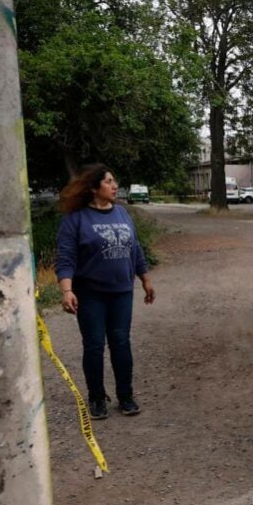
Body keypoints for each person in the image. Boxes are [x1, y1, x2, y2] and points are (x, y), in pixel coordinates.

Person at [55, 164, 155, 419]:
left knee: (121, 343)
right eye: (109, 181)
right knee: (94, 346)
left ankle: (126, 395)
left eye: (114, 181)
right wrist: (67, 290)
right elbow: (65, 257)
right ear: (93, 187)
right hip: (90, 294)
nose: (114, 185)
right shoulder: (76, 218)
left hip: (122, 291)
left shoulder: (122, 213)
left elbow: (136, 248)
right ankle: (97, 397)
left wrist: (145, 278)